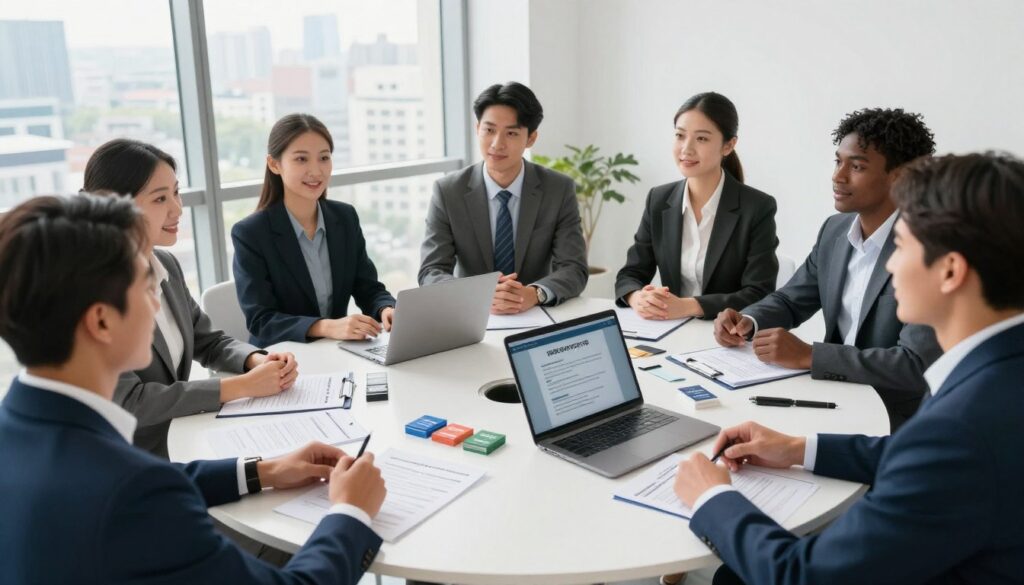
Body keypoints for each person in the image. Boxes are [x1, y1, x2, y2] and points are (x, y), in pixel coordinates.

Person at [675, 152, 1024, 585]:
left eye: (904, 245)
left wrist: (711, 497)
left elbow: (801, 576)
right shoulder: (994, 371)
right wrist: (800, 448)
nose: (891, 263)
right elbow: (918, 458)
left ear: (950, 270)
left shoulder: (962, 428)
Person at [0, 193, 387, 584]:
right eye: (146, 287)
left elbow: (142, 480)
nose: (157, 305)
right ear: (101, 322)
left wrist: (264, 470)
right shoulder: (133, 491)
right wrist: (350, 512)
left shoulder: (15, 427)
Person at [713, 108, 942, 428]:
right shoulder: (835, 230)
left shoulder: (927, 249)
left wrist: (810, 355)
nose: (838, 176)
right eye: (838, 162)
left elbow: (913, 365)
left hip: (896, 416)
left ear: (900, 177)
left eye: (857, 166)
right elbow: (791, 299)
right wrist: (748, 320)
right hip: (832, 395)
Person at [83, 139, 296, 457]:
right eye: (159, 199)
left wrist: (257, 361)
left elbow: (207, 341)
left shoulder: (164, 265)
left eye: (176, 193)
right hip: (130, 460)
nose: (177, 209)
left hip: (183, 439)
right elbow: (131, 400)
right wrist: (241, 386)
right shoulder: (89, 293)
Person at [418, 81, 588, 314]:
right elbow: (430, 271)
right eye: (489, 130)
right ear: (478, 128)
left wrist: (535, 293)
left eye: (511, 133)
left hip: (536, 314)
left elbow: (574, 268)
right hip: (471, 315)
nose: (497, 144)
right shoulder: (448, 192)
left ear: (530, 139)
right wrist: (480, 294)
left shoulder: (558, 189)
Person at [232, 113, 397, 347]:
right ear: (274, 164)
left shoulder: (345, 218)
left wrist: (385, 308)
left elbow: (367, 287)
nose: (316, 171)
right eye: (301, 159)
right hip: (282, 361)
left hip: (335, 352)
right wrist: (327, 326)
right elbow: (262, 320)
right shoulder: (251, 234)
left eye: (324, 158)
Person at [615, 92, 779, 320]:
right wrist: (636, 297)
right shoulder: (659, 199)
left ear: (728, 145)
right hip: (669, 329)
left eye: (701, 138)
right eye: (680, 136)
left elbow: (759, 293)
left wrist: (688, 306)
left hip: (726, 336)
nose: (686, 149)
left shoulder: (757, 207)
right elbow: (631, 273)